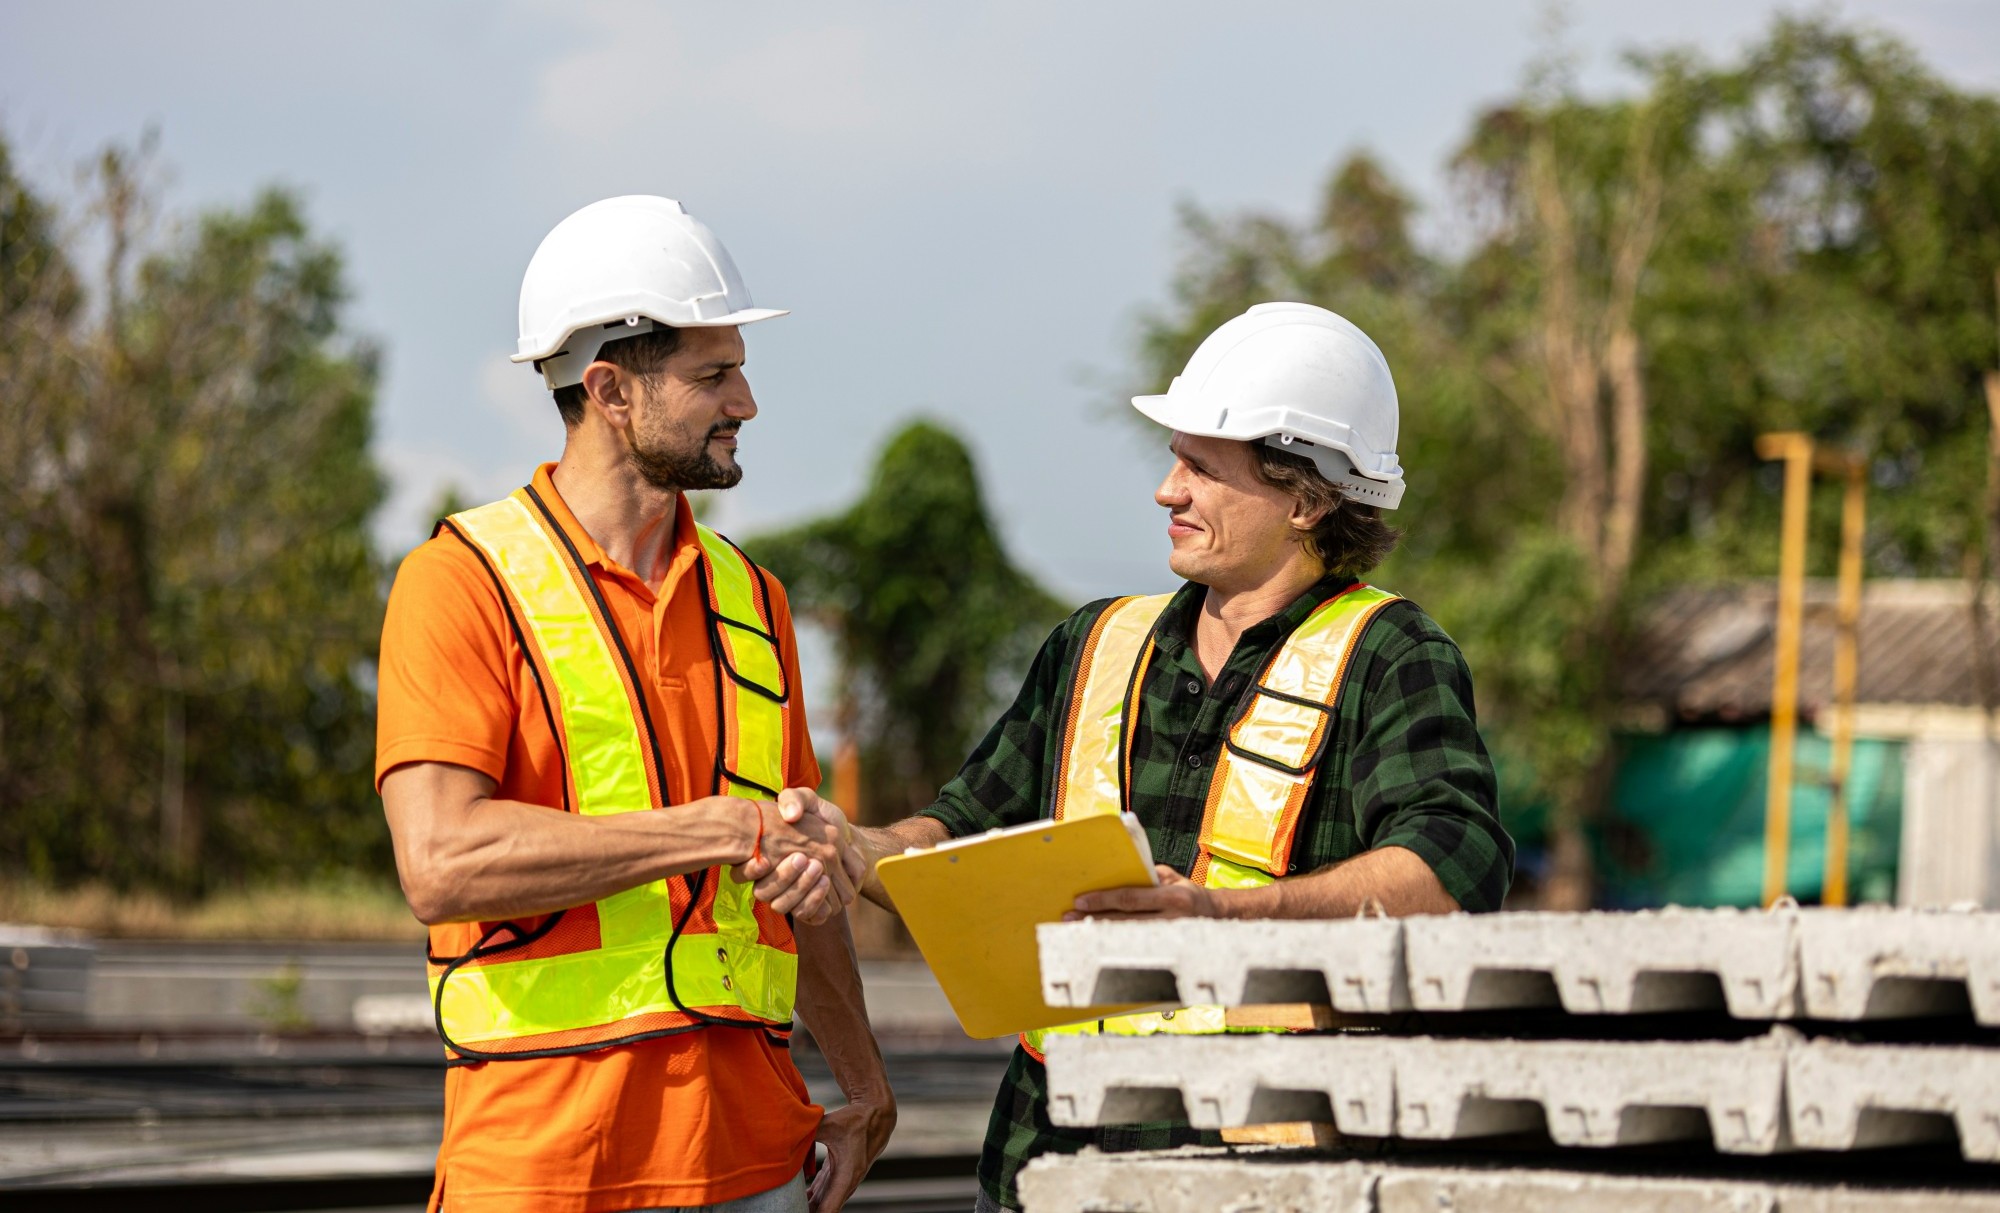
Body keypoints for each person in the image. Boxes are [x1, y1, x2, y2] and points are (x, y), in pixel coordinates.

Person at [783, 301, 1513, 1211]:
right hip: (1048, 1164)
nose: (1167, 490)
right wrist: (851, 845)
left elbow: (1453, 872)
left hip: (1270, 1171)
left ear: (1307, 497)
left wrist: (1218, 917)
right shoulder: (1093, 646)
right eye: (1175, 459)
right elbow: (953, 837)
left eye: (1201, 468)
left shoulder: (1391, 656)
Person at [377, 196, 890, 1213]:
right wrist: (706, 829)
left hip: (756, 1166)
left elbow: (800, 871)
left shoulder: (752, 601)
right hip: (544, 1171)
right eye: (712, 374)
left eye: (738, 368)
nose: (745, 400)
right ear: (610, 390)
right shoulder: (461, 581)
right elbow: (441, 863)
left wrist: (865, 1082)